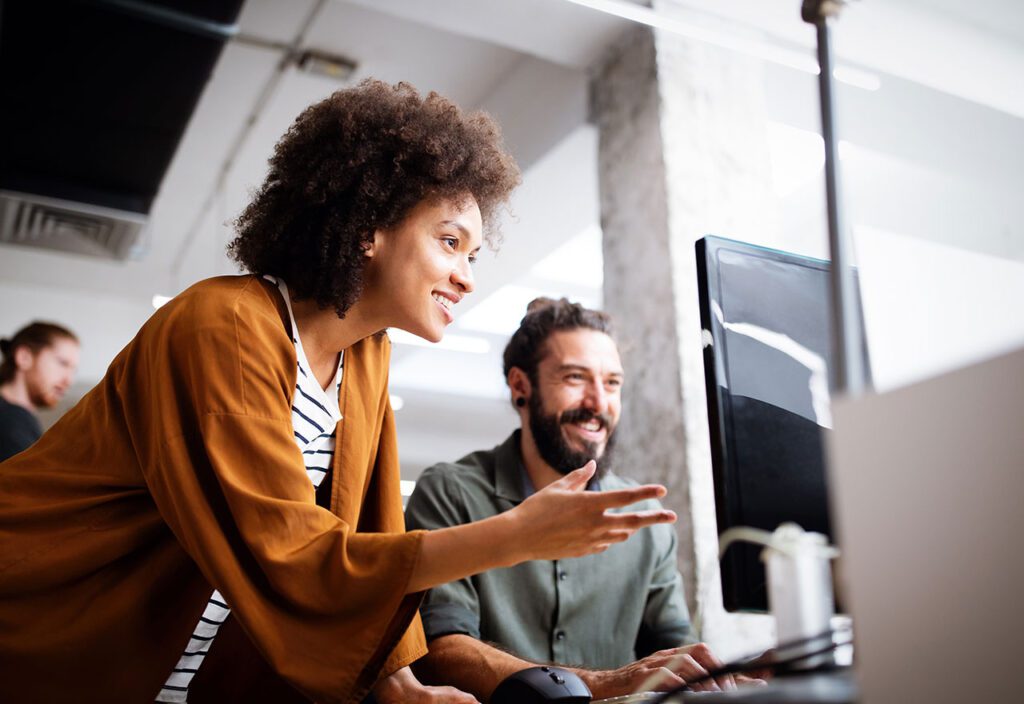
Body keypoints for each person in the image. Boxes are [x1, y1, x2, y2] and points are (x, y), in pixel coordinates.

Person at [0, 81, 677, 704]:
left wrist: (400, 684)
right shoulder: (223, 326)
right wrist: (513, 537)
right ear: (367, 230)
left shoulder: (365, 357)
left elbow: (370, 524)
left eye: (473, 254)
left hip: (166, 669)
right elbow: (290, 553)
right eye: (450, 242)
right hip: (40, 628)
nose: (466, 277)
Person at [406, 298, 741, 700]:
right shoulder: (451, 493)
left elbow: (674, 654)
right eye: (575, 378)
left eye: (612, 383)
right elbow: (440, 650)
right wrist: (600, 684)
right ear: (520, 386)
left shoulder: (644, 518)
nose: (598, 403)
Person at [0, 321, 79, 463]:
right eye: (62, 363)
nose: (69, 381)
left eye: (73, 370)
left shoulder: (21, 421)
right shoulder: (9, 424)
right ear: (24, 357)